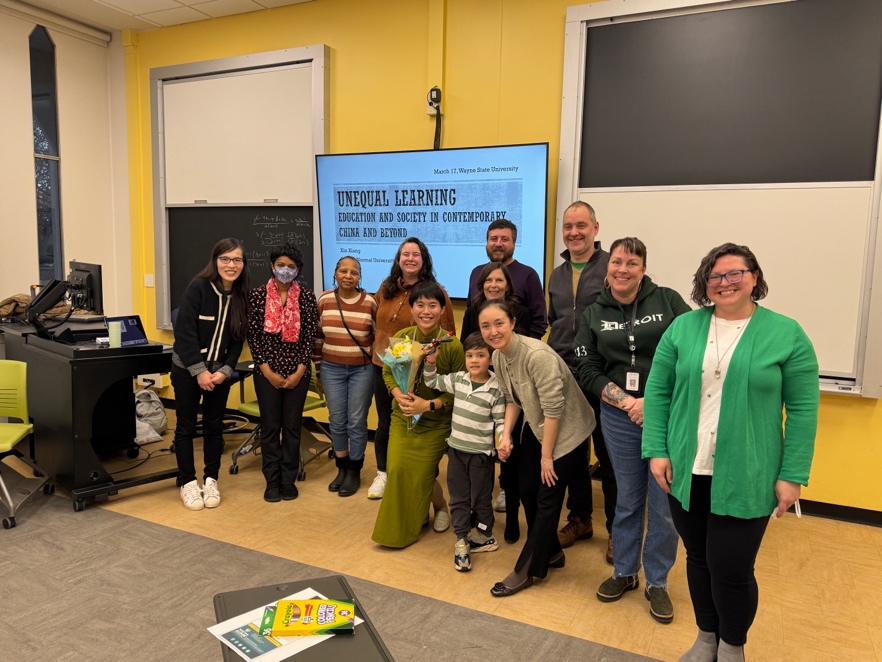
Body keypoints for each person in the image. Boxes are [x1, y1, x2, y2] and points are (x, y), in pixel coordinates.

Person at [643, 243, 819, 662]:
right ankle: (706, 638)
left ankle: (731, 646)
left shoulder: (786, 333)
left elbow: (803, 409)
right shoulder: (683, 328)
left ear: (754, 277)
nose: (724, 283)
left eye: (735, 273)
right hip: (687, 469)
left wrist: (792, 474)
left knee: (732, 569)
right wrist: (657, 450)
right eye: (714, 276)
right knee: (699, 560)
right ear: (704, 284)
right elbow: (658, 391)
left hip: (748, 473)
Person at [574, 236, 691, 624]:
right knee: (627, 499)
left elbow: (692, 353)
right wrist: (626, 402)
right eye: (617, 262)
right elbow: (587, 367)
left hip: (667, 414)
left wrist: (651, 402)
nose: (622, 269)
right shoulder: (593, 312)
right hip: (618, 416)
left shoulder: (668, 301)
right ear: (608, 266)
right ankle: (624, 572)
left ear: (644, 269)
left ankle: (657, 581)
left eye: (632, 263)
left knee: (663, 504)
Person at [480, 300, 596, 597]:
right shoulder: (499, 355)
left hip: (568, 429)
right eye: (486, 326)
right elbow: (512, 399)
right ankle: (552, 552)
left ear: (512, 323)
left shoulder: (536, 356)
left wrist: (547, 457)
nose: (493, 331)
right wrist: (506, 435)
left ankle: (527, 570)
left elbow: (554, 409)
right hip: (538, 423)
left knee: (547, 496)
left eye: (499, 323)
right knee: (527, 488)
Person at [547, 201, 617, 563]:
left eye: (581, 225)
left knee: (609, 455)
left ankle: (618, 531)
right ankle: (580, 519)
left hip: (602, 373)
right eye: (568, 226)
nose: (574, 232)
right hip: (564, 374)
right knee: (572, 453)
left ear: (595, 228)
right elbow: (555, 321)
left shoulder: (611, 267)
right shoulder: (556, 275)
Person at [371, 281, 464, 548]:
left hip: (435, 423)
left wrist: (428, 405)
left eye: (433, 305)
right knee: (398, 469)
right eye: (420, 305)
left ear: (442, 309)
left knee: (423, 473)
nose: (426, 311)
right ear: (411, 309)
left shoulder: (451, 345)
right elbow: (388, 371)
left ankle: (441, 507)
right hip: (403, 419)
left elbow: (459, 391)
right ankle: (414, 515)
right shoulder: (404, 337)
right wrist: (397, 393)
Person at [369, 238, 456, 500]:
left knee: (418, 421)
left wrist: (433, 362)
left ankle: (422, 477)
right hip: (384, 367)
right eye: (405, 254)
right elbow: (374, 321)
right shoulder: (385, 287)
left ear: (423, 259)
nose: (410, 259)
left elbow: (448, 334)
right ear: (398, 259)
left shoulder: (435, 291)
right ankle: (383, 473)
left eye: (415, 254)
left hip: (422, 371)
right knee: (386, 422)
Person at [171, 237, 250, 511]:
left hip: (219, 375)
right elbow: (184, 334)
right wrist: (200, 371)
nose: (231, 265)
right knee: (185, 427)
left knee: (214, 427)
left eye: (237, 260)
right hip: (187, 370)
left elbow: (238, 340)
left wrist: (226, 370)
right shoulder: (199, 287)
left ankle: (211, 479)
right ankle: (188, 483)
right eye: (225, 259)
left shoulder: (242, 296)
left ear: (243, 264)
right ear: (215, 261)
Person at [423, 332, 506, 571]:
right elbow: (432, 381)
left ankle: (485, 535)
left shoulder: (496, 388)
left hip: (481, 456)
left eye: (480, 355)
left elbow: (501, 421)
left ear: (491, 359)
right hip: (456, 452)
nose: (474, 360)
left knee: (480, 498)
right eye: (470, 355)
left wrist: (503, 442)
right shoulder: (459, 379)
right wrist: (431, 360)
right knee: (458, 497)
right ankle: (461, 539)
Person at [461, 261, 530, 544]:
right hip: (481, 390)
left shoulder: (519, 313)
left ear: (508, 284)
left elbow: (521, 349)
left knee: (508, 456)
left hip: (510, 391)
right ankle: (479, 513)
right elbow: (467, 348)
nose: (493, 285)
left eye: (499, 280)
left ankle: (512, 517)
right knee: (480, 456)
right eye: (488, 280)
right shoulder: (471, 312)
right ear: (481, 285)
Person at [246, 243, 319, 503]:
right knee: (269, 428)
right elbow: (253, 337)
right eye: (280, 265)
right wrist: (267, 371)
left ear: (298, 269)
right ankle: (272, 480)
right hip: (267, 373)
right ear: (272, 266)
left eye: (291, 266)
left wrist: (300, 372)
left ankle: (288, 479)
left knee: (291, 427)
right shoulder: (257, 296)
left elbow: (309, 338)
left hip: (297, 373)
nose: (285, 270)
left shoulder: (307, 297)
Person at [313, 256, 377, 497]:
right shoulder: (325, 300)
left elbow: (377, 338)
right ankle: (341, 468)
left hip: (362, 370)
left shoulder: (370, 302)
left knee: (356, 422)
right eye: (343, 271)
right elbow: (318, 338)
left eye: (354, 272)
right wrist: (318, 370)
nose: (348, 276)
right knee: (337, 420)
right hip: (331, 369)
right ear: (335, 274)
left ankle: (354, 471)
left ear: (359, 277)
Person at [466, 219, 547, 340]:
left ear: (514, 243)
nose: (498, 244)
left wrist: (525, 348)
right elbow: (471, 312)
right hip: (479, 349)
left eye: (504, 239)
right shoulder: (476, 273)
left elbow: (539, 322)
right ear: (487, 242)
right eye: (494, 239)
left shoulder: (528, 275)